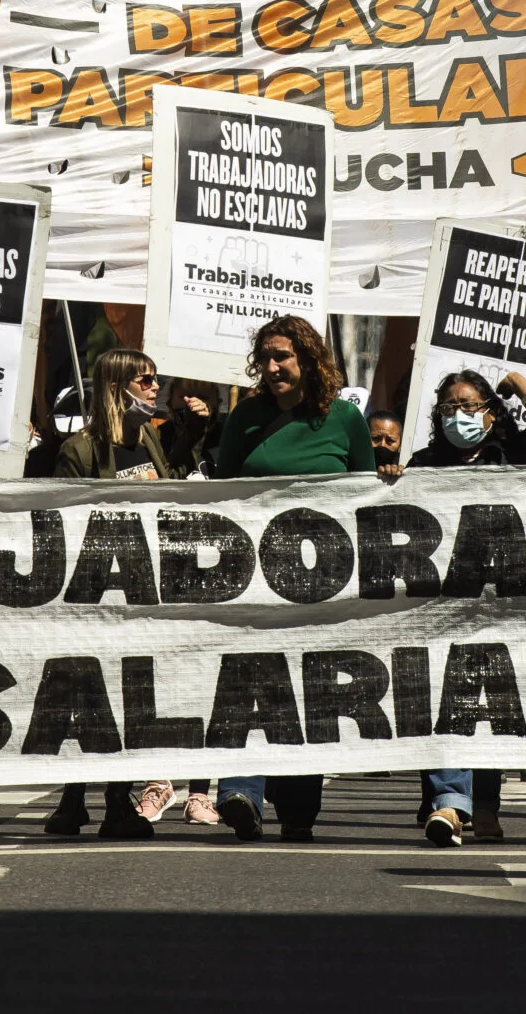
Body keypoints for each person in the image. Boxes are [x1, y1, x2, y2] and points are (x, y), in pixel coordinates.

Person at [210, 315, 398, 843]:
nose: (272, 368)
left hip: (323, 587)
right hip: (252, 582)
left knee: (309, 690)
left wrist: (387, 479)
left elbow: (366, 493)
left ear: (308, 360)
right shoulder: (244, 419)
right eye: (265, 357)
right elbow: (218, 497)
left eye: (283, 357)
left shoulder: (344, 420)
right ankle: (239, 792)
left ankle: (296, 801)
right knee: (250, 681)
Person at [404, 368, 526, 847]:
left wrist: (517, 381)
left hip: (504, 607)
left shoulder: (514, 457)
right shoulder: (424, 464)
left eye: (470, 405)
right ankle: (449, 805)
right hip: (443, 610)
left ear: (492, 413)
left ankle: (484, 806)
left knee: (496, 705)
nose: (460, 415)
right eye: (449, 407)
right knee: (446, 703)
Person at [46, 350, 205, 838]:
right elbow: (61, 518)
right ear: (117, 388)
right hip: (97, 595)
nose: (156, 387)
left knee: (129, 700)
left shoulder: (150, 435)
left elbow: (167, 492)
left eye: (157, 378)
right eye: (146, 379)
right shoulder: (80, 450)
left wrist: (193, 441)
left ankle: (108, 801)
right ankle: (84, 801)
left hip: (143, 594)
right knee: (90, 700)